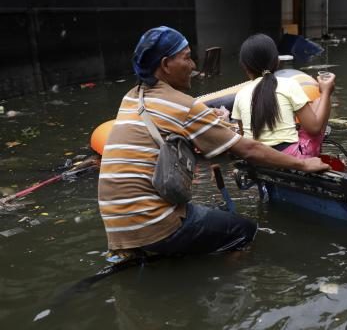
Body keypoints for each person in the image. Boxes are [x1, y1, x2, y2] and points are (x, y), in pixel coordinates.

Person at [97, 26, 329, 257]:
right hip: (154, 225)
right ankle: (223, 286)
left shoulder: (131, 97)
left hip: (118, 229)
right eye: (187, 58)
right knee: (244, 230)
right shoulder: (183, 105)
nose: (194, 66)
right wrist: (303, 164)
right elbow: (248, 149)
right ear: (166, 65)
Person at [231, 33, 335, 158]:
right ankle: (315, 155)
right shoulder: (290, 84)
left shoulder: (240, 94)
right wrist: (326, 92)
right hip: (291, 158)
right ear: (277, 61)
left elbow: (245, 137)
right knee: (320, 101)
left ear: (245, 67)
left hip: (256, 158)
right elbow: (314, 128)